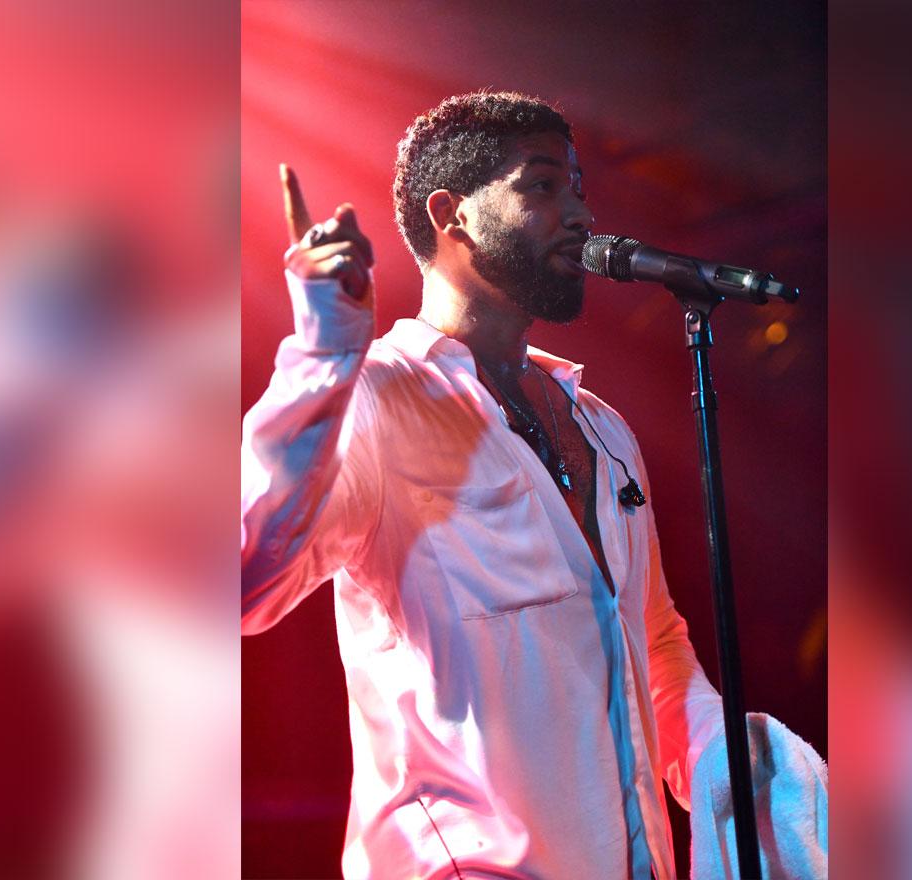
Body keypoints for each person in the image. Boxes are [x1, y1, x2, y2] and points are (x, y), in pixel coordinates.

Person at [241, 91, 782, 879]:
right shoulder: (375, 400)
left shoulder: (601, 424)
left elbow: (656, 648)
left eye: (581, 189)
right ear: (451, 214)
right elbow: (245, 579)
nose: (580, 214)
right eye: (543, 185)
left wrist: (742, 771)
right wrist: (324, 353)